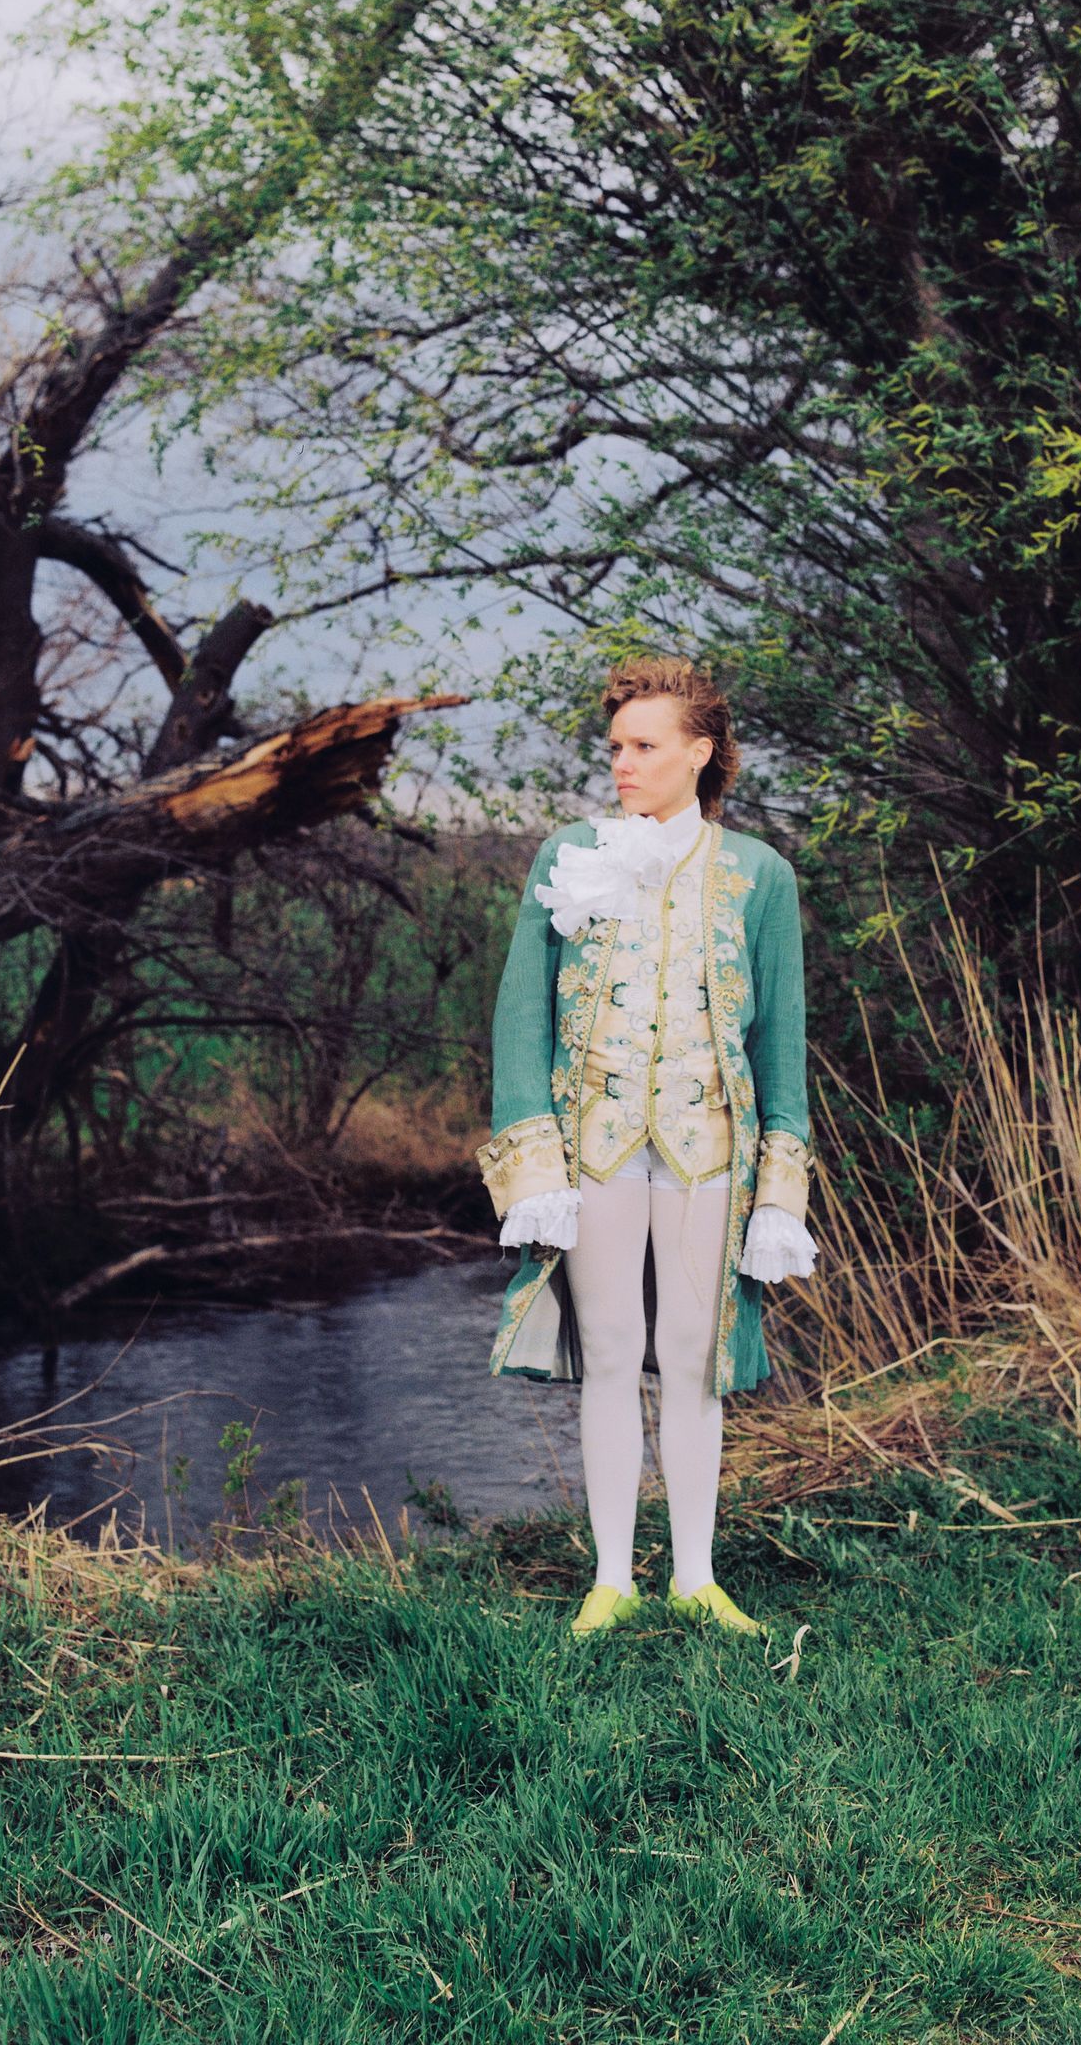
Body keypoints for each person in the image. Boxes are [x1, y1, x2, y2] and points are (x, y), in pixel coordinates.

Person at [475, 652, 816, 1639]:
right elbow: (521, 1016)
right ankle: (614, 1577)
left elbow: (780, 1041)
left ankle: (696, 1577)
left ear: (699, 752)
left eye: (644, 746)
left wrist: (781, 1185)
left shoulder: (760, 874)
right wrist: (533, 1163)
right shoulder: (570, 854)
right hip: (598, 1143)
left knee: (695, 1354)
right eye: (616, 746)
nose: (621, 763)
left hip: (711, 1145)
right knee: (614, 1349)